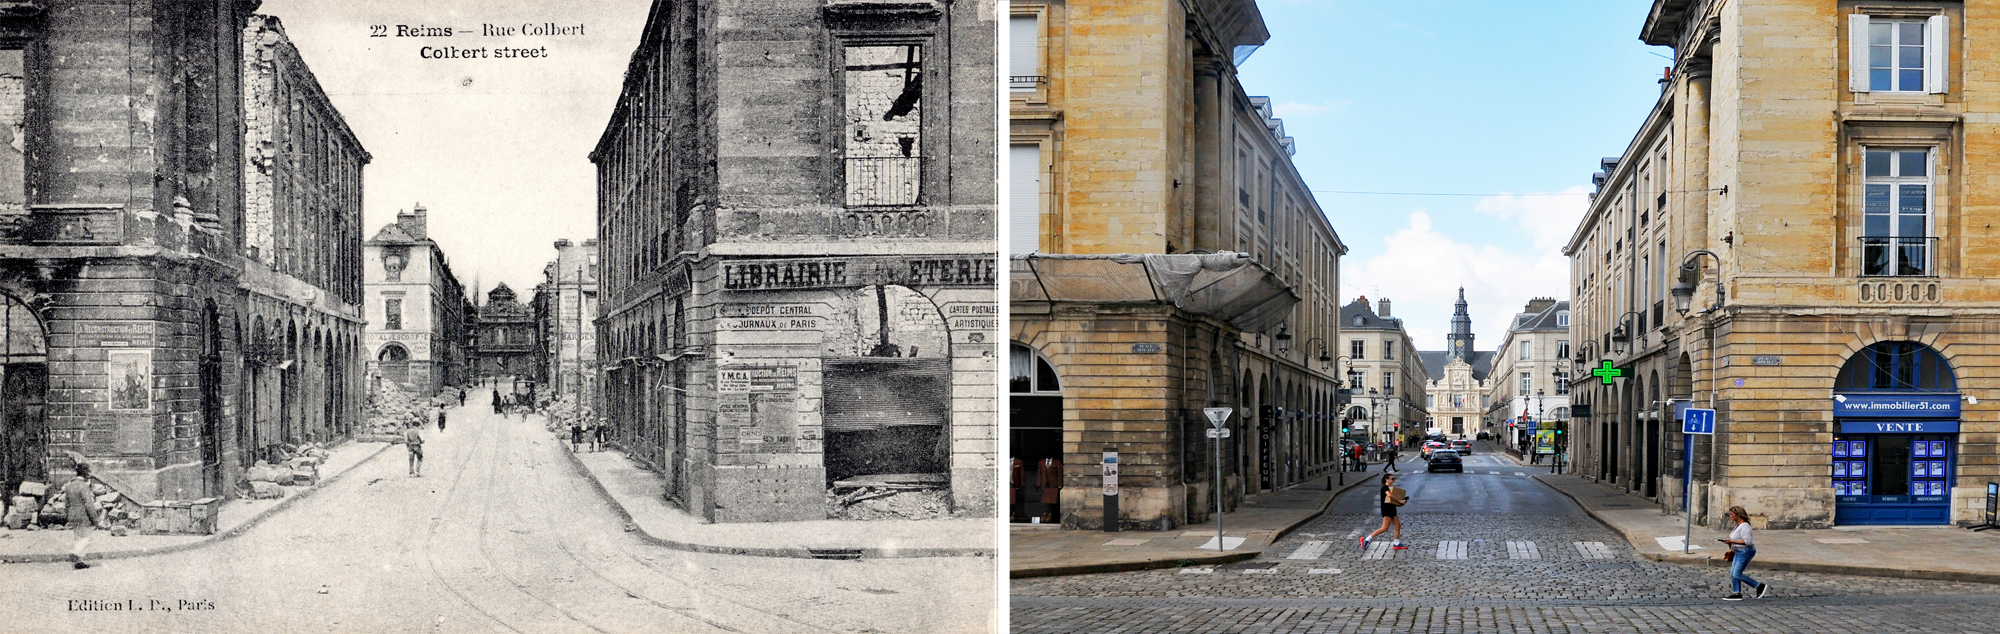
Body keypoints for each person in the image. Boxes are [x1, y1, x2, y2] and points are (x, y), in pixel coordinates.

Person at [62, 463, 107, 569]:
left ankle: (79, 562)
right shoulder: (84, 486)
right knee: (86, 537)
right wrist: (95, 520)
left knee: (77, 537)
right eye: (88, 472)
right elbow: (88, 504)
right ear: (85, 473)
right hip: (83, 515)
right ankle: (76, 553)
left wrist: (68, 515)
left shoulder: (69, 485)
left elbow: (67, 503)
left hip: (72, 514)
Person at [1721, 505, 1770, 600]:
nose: (1730, 516)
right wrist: (1729, 543)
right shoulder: (1738, 525)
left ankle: (1759, 586)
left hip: (1745, 552)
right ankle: (1737, 593)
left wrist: (1732, 542)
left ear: (1738, 514)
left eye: (1731, 514)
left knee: (1737, 574)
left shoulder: (1745, 526)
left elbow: (1748, 541)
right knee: (1733, 573)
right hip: (1738, 551)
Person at [1362, 473, 1406, 550]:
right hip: (1387, 510)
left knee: (1398, 525)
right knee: (1384, 528)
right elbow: (1389, 495)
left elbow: (1392, 499)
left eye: (1394, 479)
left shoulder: (1390, 488)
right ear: (1387, 479)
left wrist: (1401, 502)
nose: (1393, 480)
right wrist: (1399, 500)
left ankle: (1396, 543)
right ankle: (1366, 539)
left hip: (1392, 509)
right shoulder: (1385, 488)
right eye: (1392, 479)